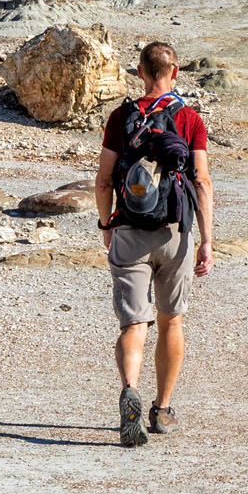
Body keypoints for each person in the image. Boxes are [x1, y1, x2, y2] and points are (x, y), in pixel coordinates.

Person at [94, 41, 213, 447]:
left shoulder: (120, 116)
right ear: (175, 72)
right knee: (171, 320)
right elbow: (202, 182)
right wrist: (206, 241)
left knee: (133, 323)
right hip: (174, 232)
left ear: (139, 72)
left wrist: (106, 222)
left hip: (128, 230)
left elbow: (104, 179)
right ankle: (162, 409)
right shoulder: (189, 119)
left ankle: (130, 387)